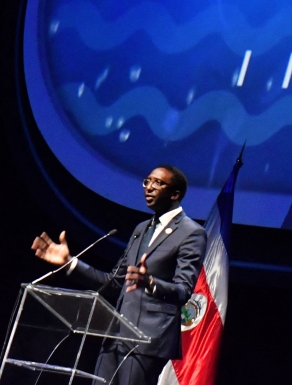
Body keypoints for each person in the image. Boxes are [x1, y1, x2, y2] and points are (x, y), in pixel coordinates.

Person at [31, 165, 207, 385]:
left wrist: (149, 282)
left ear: (175, 194)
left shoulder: (191, 233)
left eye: (157, 183)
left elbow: (183, 290)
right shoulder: (141, 229)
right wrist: (69, 263)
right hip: (115, 335)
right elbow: (113, 282)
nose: (149, 188)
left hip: (148, 340)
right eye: (147, 181)